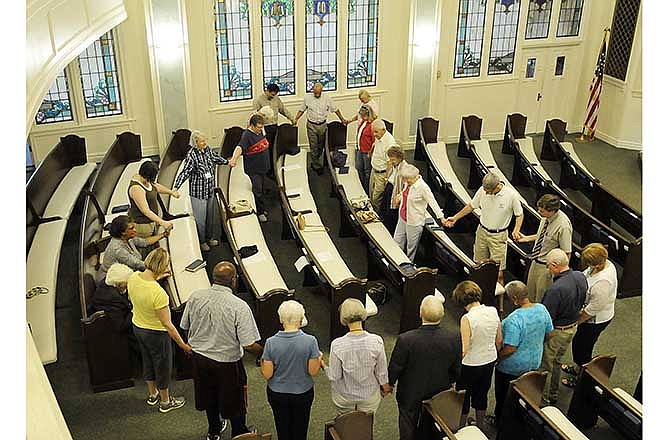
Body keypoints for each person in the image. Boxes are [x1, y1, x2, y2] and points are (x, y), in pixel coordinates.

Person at [180, 262, 262, 440]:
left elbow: (185, 326)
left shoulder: (195, 297)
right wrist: (264, 354)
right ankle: (239, 431)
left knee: (208, 394)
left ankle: (214, 431)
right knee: (234, 398)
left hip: (200, 358)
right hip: (227, 363)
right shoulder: (239, 306)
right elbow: (248, 344)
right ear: (234, 280)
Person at [445, 172, 524, 311]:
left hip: (498, 236)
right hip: (482, 231)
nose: (485, 193)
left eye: (488, 191)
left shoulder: (510, 195)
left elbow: (519, 214)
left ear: (497, 187)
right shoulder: (482, 190)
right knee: (478, 266)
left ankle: (500, 306)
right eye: (485, 190)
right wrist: (456, 217)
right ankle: (476, 298)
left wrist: (516, 229)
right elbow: (471, 206)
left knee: (499, 272)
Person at [127, 248, 192, 413]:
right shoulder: (159, 293)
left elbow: (134, 297)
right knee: (163, 366)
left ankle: (152, 394)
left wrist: (157, 277)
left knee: (147, 360)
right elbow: (168, 325)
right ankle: (165, 401)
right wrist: (183, 345)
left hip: (138, 327)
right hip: (155, 333)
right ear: (163, 266)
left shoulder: (134, 277)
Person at [388, 296, 461, 440]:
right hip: (439, 389)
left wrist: (389, 384)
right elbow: (456, 366)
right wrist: (451, 381)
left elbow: (396, 366)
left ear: (420, 313)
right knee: (433, 422)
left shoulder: (406, 339)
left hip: (411, 391)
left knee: (407, 421)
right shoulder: (454, 337)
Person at [492, 281, 553, 428]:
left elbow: (510, 348)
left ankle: (500, 422)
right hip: (533, 363)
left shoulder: (514, 320)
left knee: (503, 397)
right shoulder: (542, 309)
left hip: (511, 368)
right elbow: (550, 334)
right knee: (525, 395)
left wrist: (497, 359)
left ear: (514, 299)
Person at [261, 301, 322, 440]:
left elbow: (267, 373)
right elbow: (313, 371)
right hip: (303, 393)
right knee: (300, 428)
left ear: (281, 319)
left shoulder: (271, 342)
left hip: (277, 393)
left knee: (282, 427)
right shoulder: (310, 341)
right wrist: (318, 359)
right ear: (301, 320)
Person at [321, 298, 392, 415]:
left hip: (344, 399)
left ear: (343, 317)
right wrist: (386, 389)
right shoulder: (377, 341)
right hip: (369, 398)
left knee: (344, 426)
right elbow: (381, 373)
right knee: (366, 427)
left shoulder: (337, 344)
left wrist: (323, 365)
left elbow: (335, 376)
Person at [561, 243, 617, 388]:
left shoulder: (603, 283)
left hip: (595, 321)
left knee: (582, 349)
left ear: (597, 264)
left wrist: (576, 322)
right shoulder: (603, 263)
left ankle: (582, 379)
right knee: (580, 345)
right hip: (589, 313)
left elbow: (593, 309)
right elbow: (585, 274)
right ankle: (579, 368)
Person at [539, 248, 587, 404]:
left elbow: (547, 318)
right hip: (572, 327)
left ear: (554, 265)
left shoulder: (556, 289)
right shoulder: (580, 276)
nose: (548, 269)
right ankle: (553, 393)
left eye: (548, 266)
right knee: (557, 361)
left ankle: (544, 398)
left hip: (557, 331)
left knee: (546, 364)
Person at [452, 281, 502, 430]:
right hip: (489, 360)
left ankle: (461, 427)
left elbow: (464, 349)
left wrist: (453, 368)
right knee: (482, 395)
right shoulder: (493, 310)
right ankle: (480, 426)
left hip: (470, 364)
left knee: (464, 397)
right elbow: (499, 340)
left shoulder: (467, 318)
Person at [173, 130, 229, 252]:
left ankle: (209, 238)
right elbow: (185, 172)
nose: (205, 143)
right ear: (195, 143)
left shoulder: (208, 150)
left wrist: (228, 162)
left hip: (209, 190)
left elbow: (216, 158)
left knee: (210, 217)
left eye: (205, 140)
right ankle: (202, 241)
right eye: (202, 141)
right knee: (201, 220)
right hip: (198, 194)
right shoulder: (191, 155)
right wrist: (176, 187)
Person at [516, 194, 573, 302]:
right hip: (535, 260)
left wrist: (559, 275)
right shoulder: (545, 218)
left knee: (541, 298)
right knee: (530, 294)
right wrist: (527, 238)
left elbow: (567, 253)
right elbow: (544, 235)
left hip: (547, 268)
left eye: (542, 211)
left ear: (552, 211)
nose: (539, 212)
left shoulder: (563, 226)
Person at [393, 164, 449, 261]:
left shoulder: (423, 188)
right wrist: (399, 196)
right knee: (397, 240)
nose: (406, 181)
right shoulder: (408, 183)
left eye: (407, 179)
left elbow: (433, 202)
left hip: (414, 221)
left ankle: (409, 263)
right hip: (403, 216)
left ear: (415, 177)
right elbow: (405, 193)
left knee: (411, 247)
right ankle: (397, 260)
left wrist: (441, 218)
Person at [293, 82, 347, 174]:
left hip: (322, 125)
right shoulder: (307, 98)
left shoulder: (327, 98)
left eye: (319, 93)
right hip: (311, 125)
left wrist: (342, 119)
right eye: (315, 93)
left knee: (321, 146)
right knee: (313, 146)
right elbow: (301, 110)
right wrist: (296, 119)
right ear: (313, 90)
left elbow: (335, 109)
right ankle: (317, 166)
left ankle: (317, 161)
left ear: (322, 91)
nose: (317, 94)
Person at [97, 215, 167, 284]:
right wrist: (160, 268)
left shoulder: (128, 238)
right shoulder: (118, 249)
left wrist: (163, 235)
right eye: (131, 228)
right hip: (111, 282)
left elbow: (144, 242)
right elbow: (138, 264)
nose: (135, 230)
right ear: (123, 232)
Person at [230, 114, 271, 223]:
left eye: (262, 127)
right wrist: (234, 159)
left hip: (263, 167)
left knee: (262, 189)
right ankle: (260, 212)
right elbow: (239, 148)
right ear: (252, 126)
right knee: (257, 190)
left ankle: (261, 208)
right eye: (258, 127)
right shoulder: (246, 136)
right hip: (254, 169)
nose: (260, 129)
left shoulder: (260, 131)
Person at [128, 161, 178, 250]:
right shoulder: (137, 188)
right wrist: (163, 222)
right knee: (146, 247)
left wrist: (171, 192)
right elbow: (145, 210)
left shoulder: (145, 180)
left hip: (151, 222)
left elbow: (155, 187)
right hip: (142, 225)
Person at [92, 263, 135, 335]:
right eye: (127, 283)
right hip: (117, 337)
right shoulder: (113, 299)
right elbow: (122, 326)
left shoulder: (108, 280)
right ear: (118, 284)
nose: (128, 285)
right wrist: (134, 309)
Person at [253, 83, 293, 149]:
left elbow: (282, 109)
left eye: (274, 95)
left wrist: (291, 118)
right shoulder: (258, 100)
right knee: (265, 146)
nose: (273, 97)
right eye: (271, 95)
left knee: (274, 146)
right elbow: (254, 115)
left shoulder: (276, 98)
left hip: (274, 126)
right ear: (267, 91)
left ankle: (273, 159)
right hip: (264, 127)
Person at [369, 119, 396, 211]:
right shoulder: (379, 136)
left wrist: (386, 178)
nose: (374, 135)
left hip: (382, 174)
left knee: (376, 198)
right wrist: (371, 151)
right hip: (374, 170)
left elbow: (390, 163)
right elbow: (375, 144)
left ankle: (377, 215)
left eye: (376, 132)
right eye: (373, 132)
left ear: (383, 130)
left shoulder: (390, 143)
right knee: (371, 193)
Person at [380, 145, 407, 233]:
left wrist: (399, 197)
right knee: (384, 210)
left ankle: (390, 232)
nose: (391, 161)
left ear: (400, 158)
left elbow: (405, 187)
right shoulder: (392, 164)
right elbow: (389, 175)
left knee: (391, 214)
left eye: (393, 159)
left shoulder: (405, 168)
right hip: (389, 187)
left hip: (396, 193)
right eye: (390, 158)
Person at [354, 104, 375, 191]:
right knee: (359, 167)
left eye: (363, 115)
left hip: (367, 151)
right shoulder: (363, 122)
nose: (361, 117)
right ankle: (361, 185)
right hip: (360, 149)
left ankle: (366, 188)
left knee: (367, 171)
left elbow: (374, 141)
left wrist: (370, 152)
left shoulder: (372, 125)